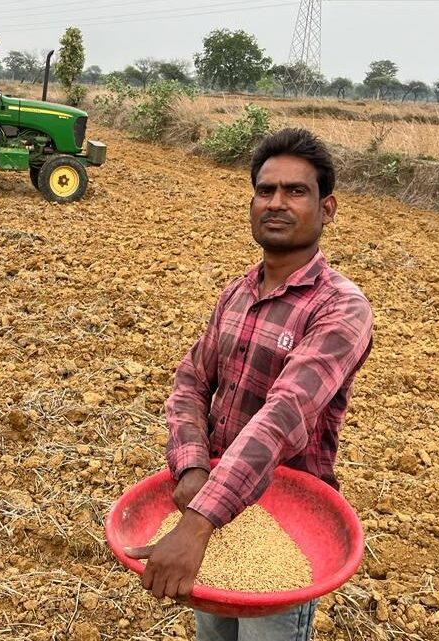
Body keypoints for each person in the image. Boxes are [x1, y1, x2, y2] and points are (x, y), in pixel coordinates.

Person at [125, 128, 374, 641]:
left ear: (327, 209)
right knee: (214, 634)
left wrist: (196, 524)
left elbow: (285, 415)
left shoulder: (340, 308)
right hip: (216, 500)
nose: (277, 203)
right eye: (266, 190)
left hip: (284, 511)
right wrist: (193, 467)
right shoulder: (237, 293)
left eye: (296, 191)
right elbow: (191, 381)